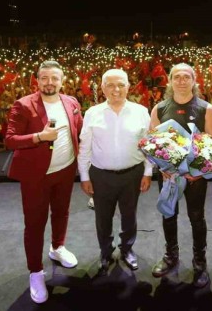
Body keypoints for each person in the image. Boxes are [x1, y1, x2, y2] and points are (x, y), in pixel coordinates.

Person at [4, 60, 84, 304]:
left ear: (62, 81)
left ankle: (57, 248)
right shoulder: (23, 105)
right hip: (36, 177)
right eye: (44, 78)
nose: (50, 83)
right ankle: (36, 272)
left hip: (65, 170)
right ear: (37, 80)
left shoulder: (71, 102)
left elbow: (79, 130)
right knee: (35, 224)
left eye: (54, 78)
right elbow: (10, 140)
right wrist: (39, 136)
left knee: (61, 212)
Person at [150, 63, 212, 288]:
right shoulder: (159, 108)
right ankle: (171, 256)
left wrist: (196, 172)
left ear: (194, 80)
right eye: (177, 77)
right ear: (170, 81)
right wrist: (164, 168)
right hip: (168, 175)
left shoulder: (206, 109)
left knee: (196, 217)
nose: (181, 81)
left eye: (186, 77)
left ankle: (200, 263)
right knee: (168, 214)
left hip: (194, 177)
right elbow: (154, 143)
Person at [78, 69, 152, 276]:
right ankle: (106, 251)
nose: (116, 89)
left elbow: (149, 145)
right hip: (101, 176)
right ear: (102, 88)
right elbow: (85, 147)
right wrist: (84, 176)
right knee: (103, 218)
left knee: (129, 216)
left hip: (132, 174)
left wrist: (148, 172)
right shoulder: (92, 113)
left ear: (128, 86)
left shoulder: (141, 111)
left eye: (120, 85)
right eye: (110, 85)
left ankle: (127, 249)